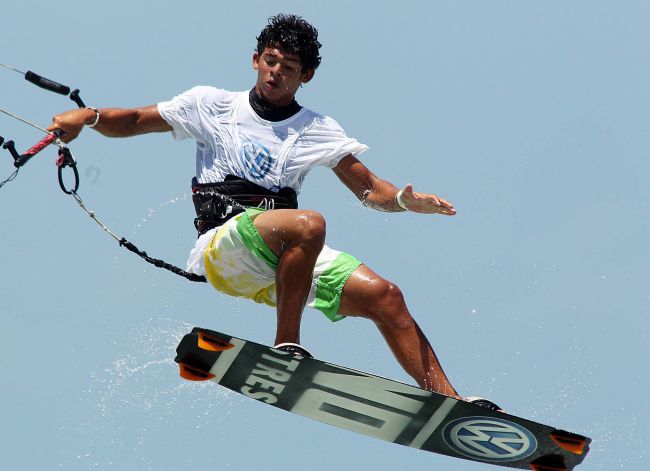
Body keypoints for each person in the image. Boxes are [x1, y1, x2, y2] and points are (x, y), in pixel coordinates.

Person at [49, 14, 499, 408]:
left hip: (280, 260)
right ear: (255, 59)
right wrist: (87, 117)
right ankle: (287, 346)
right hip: (222, 247)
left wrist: (403, 201)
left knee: (387, 297)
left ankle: (450, 403)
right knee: (309, 224)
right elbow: (130, 120)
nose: (276, 72)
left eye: (289, 67)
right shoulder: (212, 105)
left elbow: (370, 190)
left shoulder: (316, 129)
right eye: (270, 60)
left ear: (307, 76)